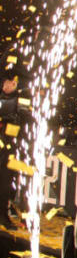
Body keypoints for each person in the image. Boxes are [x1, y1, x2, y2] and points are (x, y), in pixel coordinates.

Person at [0, 73, 25, 230]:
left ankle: (3, 214)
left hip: (10, 144)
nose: (8, 85)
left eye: (11, 83)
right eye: (5, 83)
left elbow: (24, 118)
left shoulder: (22, 100)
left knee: (5, 181)